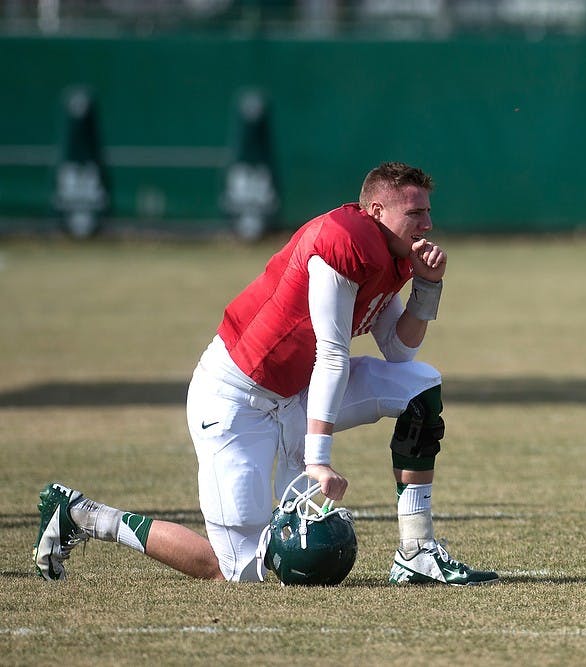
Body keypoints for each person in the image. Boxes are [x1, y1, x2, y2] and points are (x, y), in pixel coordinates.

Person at [33, 162, 498, 586]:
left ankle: (416, 551)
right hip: (236, 401)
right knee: (238, 570)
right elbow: (332, 355)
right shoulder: (345, 239)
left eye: (427, 212)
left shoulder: (388, 253)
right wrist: (319, 458)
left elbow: (399, 352)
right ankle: (84, 514)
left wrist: (427, 288)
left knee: (420, 387)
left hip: (294, 393)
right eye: (416, 212)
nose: (428, 224)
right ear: (376, 210)